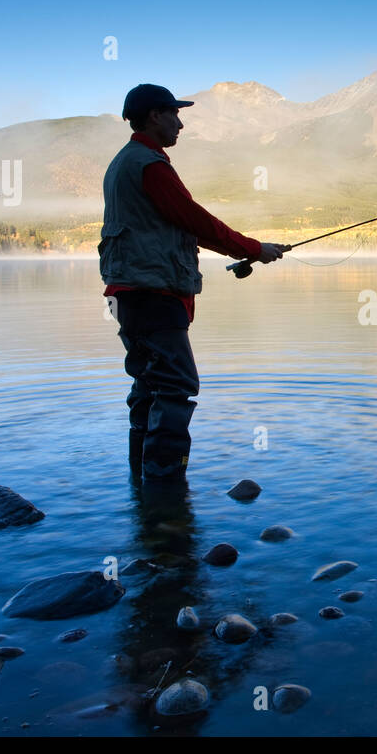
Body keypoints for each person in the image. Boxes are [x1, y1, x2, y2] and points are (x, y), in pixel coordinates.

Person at [100, 83, 285, 482]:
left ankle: (144, 486)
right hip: (153, 296)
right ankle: (167, 487)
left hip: (131, 296)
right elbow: (194, 218)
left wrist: (250, 250)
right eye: (174, 114)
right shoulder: (149, 164)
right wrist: (251, 247)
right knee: (175, 385)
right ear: (154, 116)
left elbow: (178, 225)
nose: (180, 123)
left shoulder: (124, 163)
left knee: (149, 386)